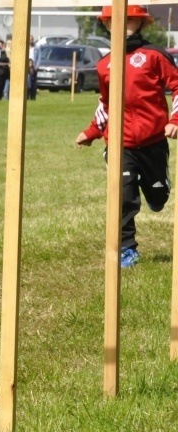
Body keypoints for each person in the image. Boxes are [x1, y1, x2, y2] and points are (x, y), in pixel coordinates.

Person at [75, 5, 178, 268]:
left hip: (154, 141)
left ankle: (158, 189)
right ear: (107, 25)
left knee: (158, 197)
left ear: (141, 23)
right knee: (123, 194)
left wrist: (175, 120)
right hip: (121, 143)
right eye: (115, 20)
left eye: (130, 19)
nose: (122, 24)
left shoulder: (154, 55)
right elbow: (106, 103)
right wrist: (92, 131)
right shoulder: (104, 64)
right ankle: (127, 249)